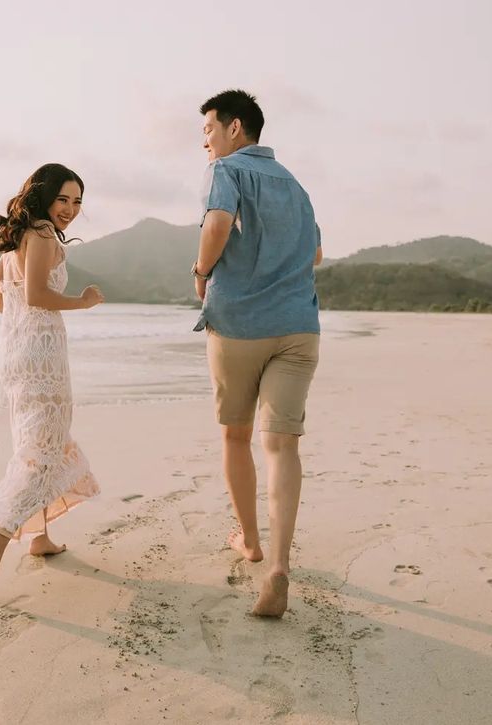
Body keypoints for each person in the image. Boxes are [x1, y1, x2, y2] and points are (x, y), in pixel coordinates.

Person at [192, 90, 323, 617]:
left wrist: (201, 274)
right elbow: (314, 252)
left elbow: (218, 225)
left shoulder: (228, 170)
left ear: (235, 128)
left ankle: (250, 541)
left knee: (236, 434)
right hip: (298, 326)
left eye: (208, 130)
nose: (205, 141)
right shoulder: (297, 185)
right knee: (283, 445)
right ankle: (280, 567)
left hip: (241, 324)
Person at [0, 163, 105, 595]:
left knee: (36, 446)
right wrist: (82, 302)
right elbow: (37, 295)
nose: (69, 209)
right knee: (43, 450)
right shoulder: (44, 236)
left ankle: (39, 537)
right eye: (63, 199)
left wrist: (23, 329)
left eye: (77, 202)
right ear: (44, 195)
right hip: (43, 360)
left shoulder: (18, 235)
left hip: (15, 355)